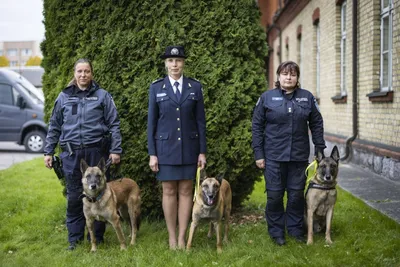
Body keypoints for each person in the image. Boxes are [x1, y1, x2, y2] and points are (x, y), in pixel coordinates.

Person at [43, 58, 122, 250]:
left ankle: (97, 238)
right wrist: (48, 151)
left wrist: (115, 149)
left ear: (92, 73)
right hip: (71, 155)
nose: (83, 75)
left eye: (87, 71)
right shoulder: (64, 97)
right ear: (74, 73)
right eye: (79, 71)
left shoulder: (102, 96)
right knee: (74, 197)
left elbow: (114, 124)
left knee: (100, 195)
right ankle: (75, 239)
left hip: (96, 152)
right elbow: (54, 125)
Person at [251, 61, 325, 246]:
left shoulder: (306, 98)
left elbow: (316, 123)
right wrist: (259, 153)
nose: (288, 77)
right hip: (273, 156)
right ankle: (276, 232)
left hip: (298, 157)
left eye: (292, 74)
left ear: (297, 77)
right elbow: (257, 126)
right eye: (285, 74)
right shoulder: (267, 98)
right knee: (275, 196)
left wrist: (319, 147)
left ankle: (294, 229)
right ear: (278, 76)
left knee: (295, 195)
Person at [147, 45, 207, 250]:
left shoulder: (195, 87)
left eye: (178, 60)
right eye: (171, 61)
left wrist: (202, 151)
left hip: (189, 147)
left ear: (183, 63)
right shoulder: (156, 88)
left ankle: (183, 237)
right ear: (166, 63)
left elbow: (201, 122)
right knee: (169, 190)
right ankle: (172, 237)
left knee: (186, 190)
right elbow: (151, 124)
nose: (175, 64)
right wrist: (152, 154)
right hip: (165, 149)